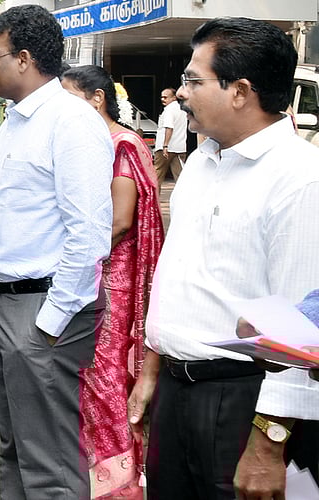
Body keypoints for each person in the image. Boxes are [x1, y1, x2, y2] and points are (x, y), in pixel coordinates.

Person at [128, 17, 319, 498]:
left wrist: (269, 444)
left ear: (241, 91)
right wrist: (151, 372)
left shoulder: (300, 178)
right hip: (177, 387)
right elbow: (176, 278)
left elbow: (301, 332)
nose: (181, 92)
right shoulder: (201, 163)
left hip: (246, 399)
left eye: (194, 80)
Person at [0, 5, 115, 498]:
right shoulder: (16, 121)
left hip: (44, 310)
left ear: (24, 58)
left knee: (49, 463)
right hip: (7, 303)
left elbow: (89, 235)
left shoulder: (71, 122)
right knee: (15, 449)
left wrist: (50, 323)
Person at [61, 65, 165, 499]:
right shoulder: (91, 143)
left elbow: (120, 222)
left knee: (107, 380)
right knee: (88, 379)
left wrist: (71, 262)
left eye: (68, 97)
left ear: (97, 98)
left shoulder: (122, 144)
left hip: (112, 281)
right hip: (93, 274)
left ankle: (119, 485)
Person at [153, 87, 187, 183]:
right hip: (179, 147)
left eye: (165, 97)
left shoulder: (169, 110)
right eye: (162, 97)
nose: (163, 99)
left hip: (165, 148)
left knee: (157, 174)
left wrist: (165, 146)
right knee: (180, 176)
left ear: (174, 98)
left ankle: (154, 193)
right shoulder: (182, 110)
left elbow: (169, 128)